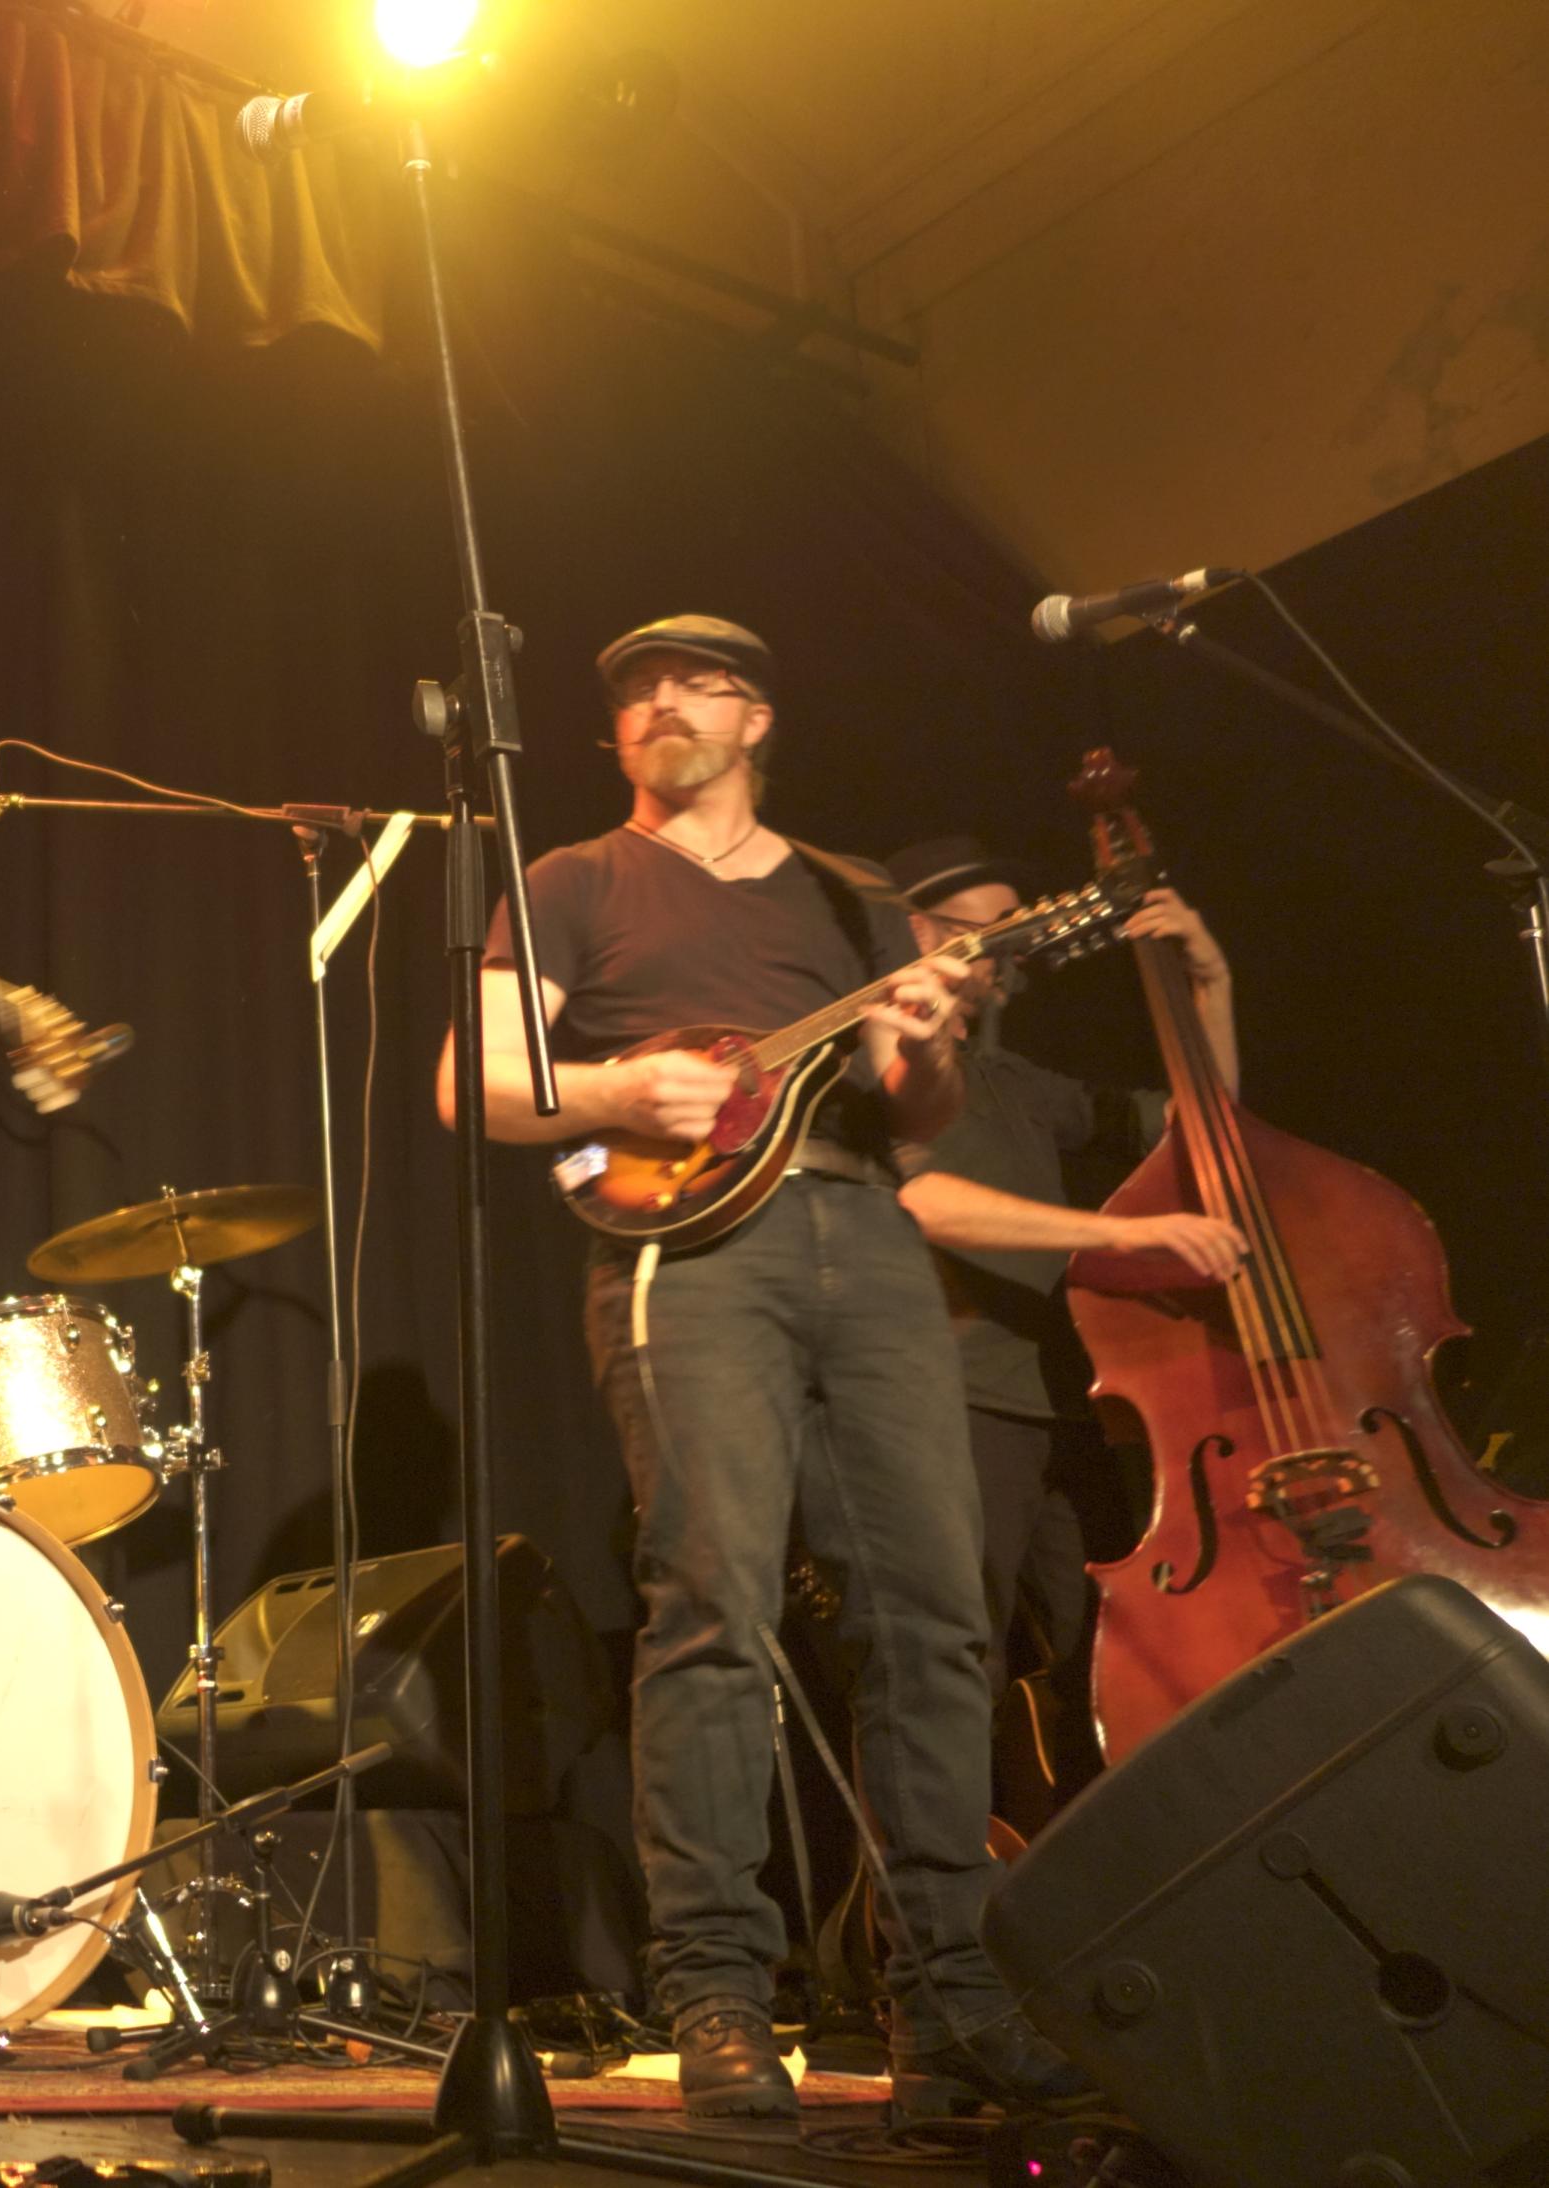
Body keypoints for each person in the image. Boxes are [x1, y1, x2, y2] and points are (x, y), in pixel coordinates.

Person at [440, 616, 1088, 2119]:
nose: (660, 702)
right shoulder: (572, 881)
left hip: (866, 1237)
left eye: (695, 682)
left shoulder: (854, 897)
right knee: (711, 1604)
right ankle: (719, 1991)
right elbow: (474, 1081)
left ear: (757, 716)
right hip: (686, 1253)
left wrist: (928, 1037)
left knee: (933, 1614)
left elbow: (915, 1112)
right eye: (633, 691)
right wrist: (614, 1085)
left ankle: (946, 1996)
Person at [880, 836, 1242, 1799]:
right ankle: (942, 1869)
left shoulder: (1014, 1081)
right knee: (956, 1657)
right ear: (917, 932)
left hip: (1068, 1400)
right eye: (989, 932)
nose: (1008, 955)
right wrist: (1119, 1234)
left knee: (1113, 1654)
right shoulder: (872, 1069)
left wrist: (1208, 984)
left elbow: (1202, 1129)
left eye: (1016, 936)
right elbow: (923, 1202)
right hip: (956, 1399)